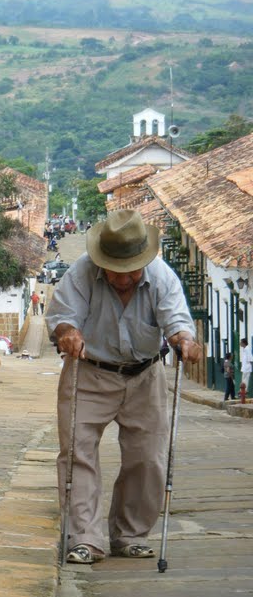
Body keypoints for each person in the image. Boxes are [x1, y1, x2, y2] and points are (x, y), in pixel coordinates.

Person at [45, 209, 201, 565]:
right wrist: (68, 333)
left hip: (145, 375)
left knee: (147, 457)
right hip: (89, 371)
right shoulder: (82, 271)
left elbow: (175, 317)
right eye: (116, 270)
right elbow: (62, 316)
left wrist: (183, 339)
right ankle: (84, 538)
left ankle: (129, 534)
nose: (123, 277)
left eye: (131, 270)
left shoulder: (161, 276)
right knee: (77, 455)